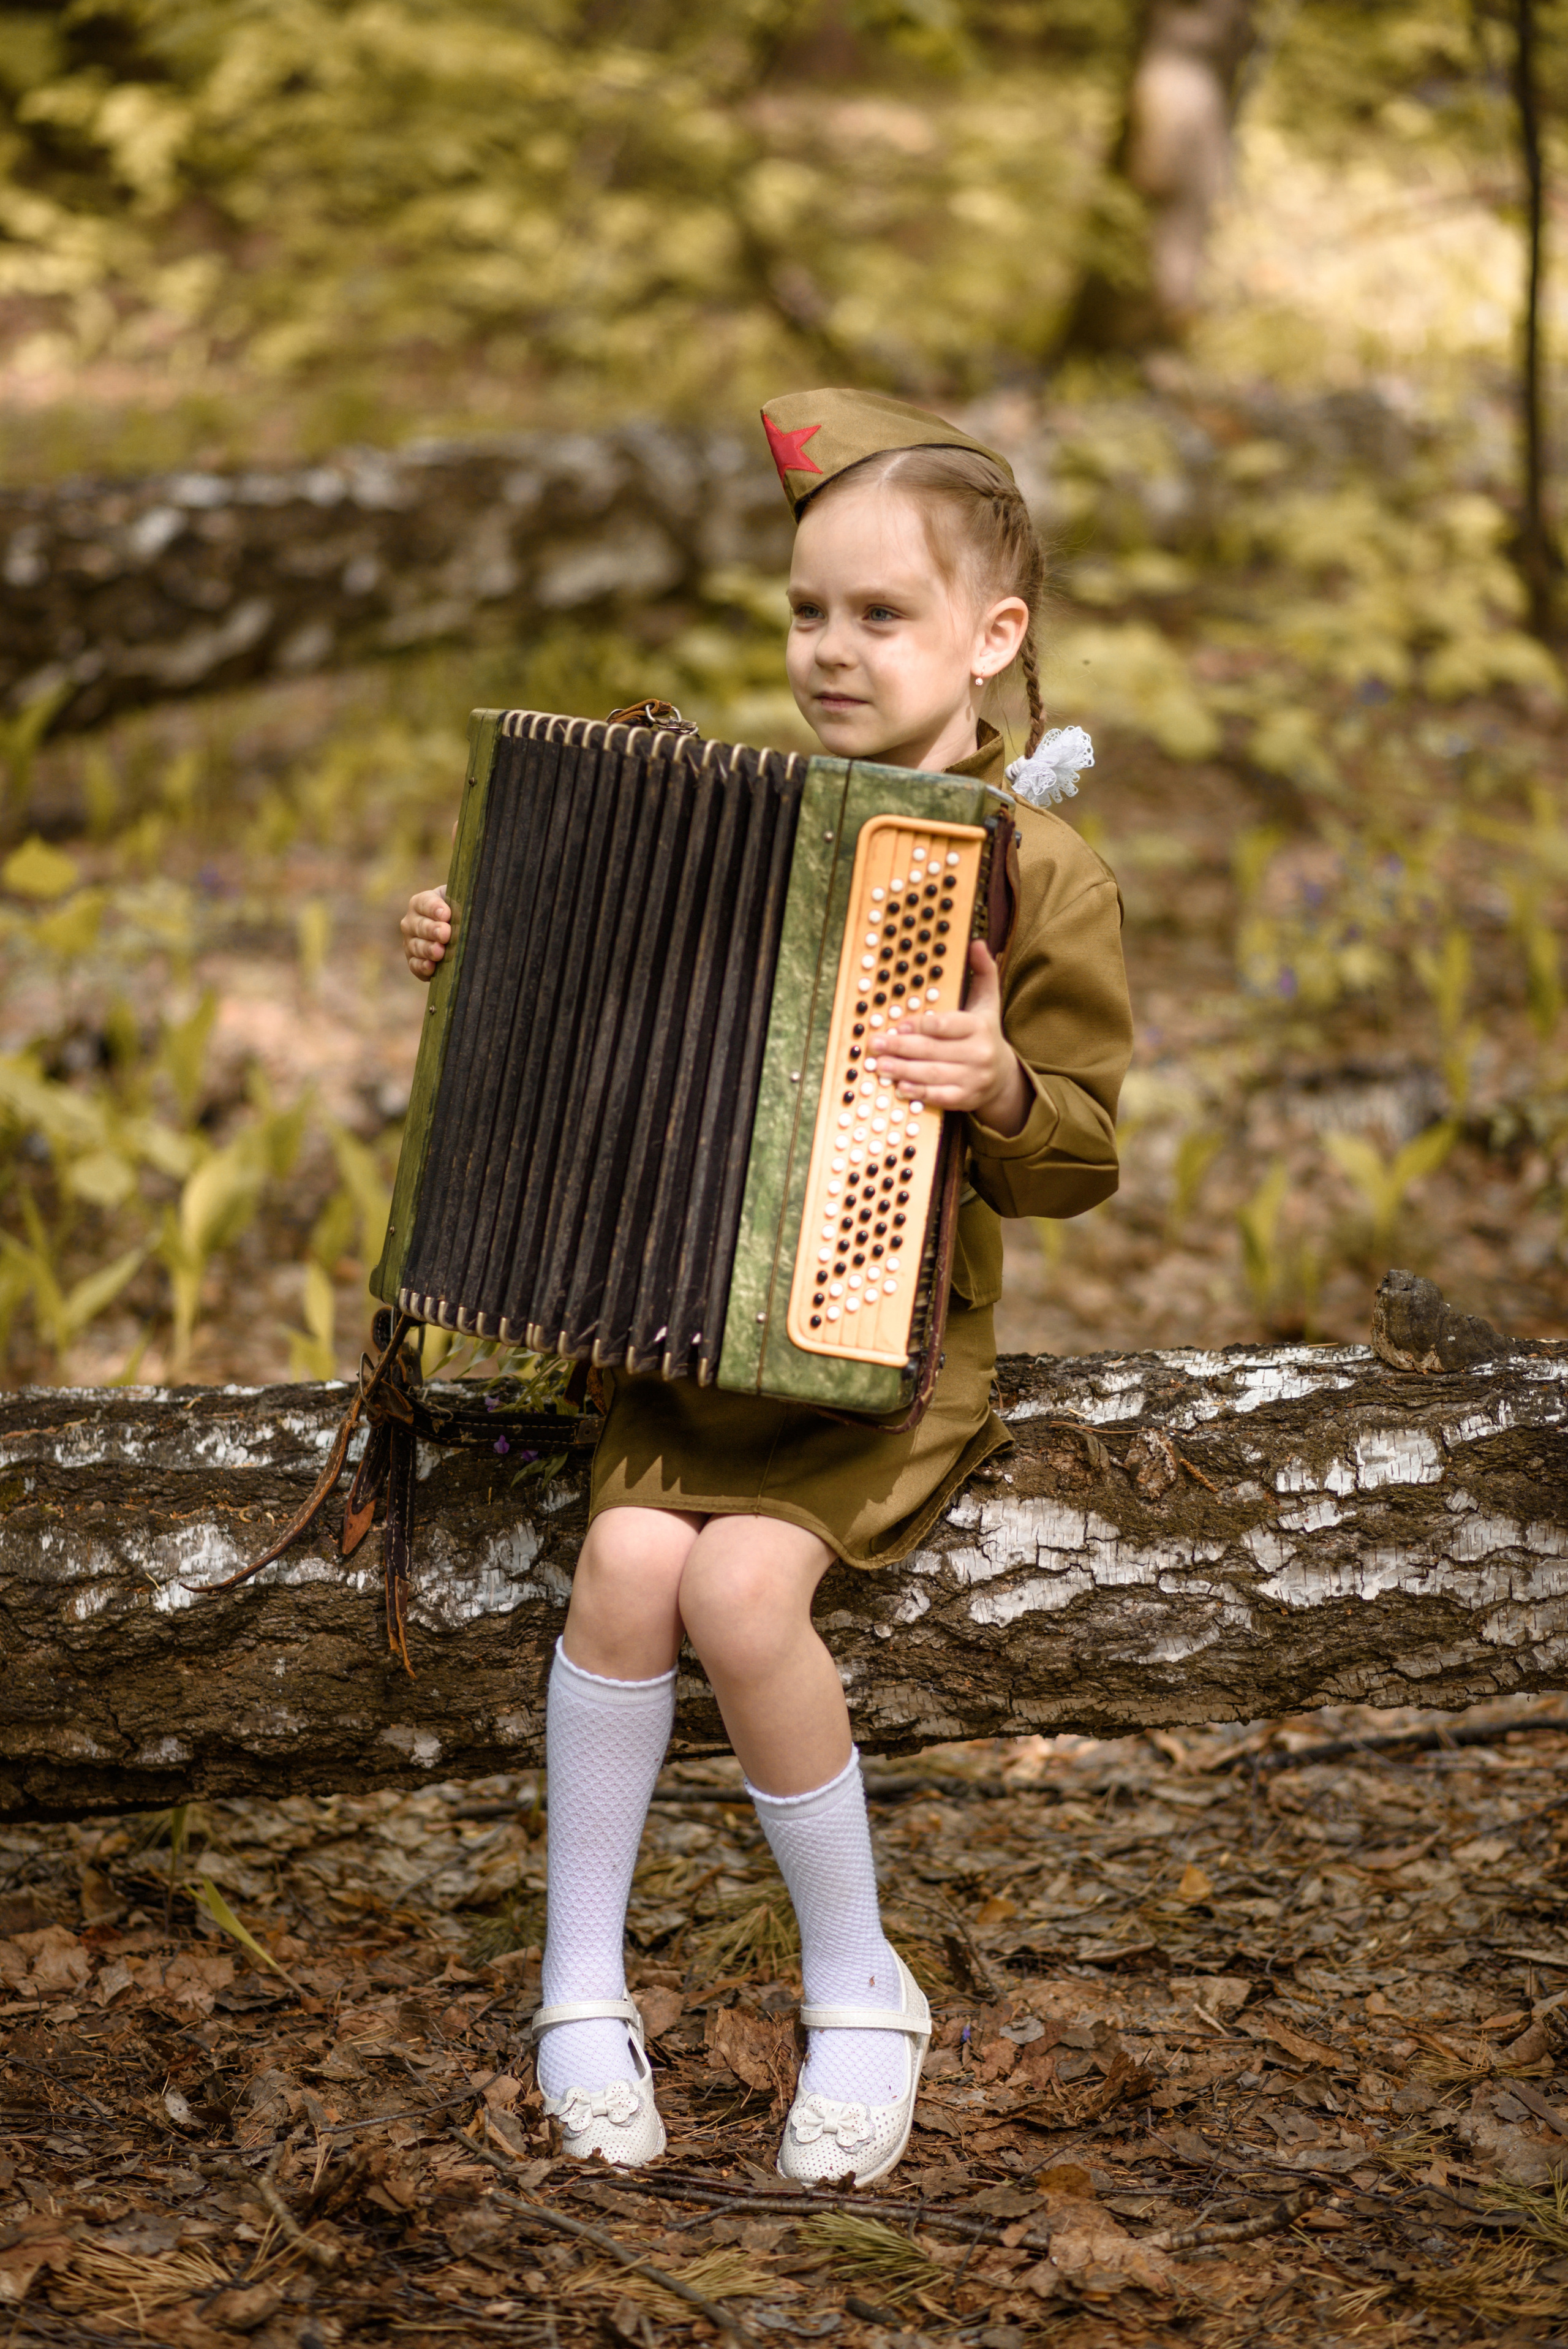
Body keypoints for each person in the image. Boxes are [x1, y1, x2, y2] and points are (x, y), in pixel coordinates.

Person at [399, 388, 1133, 2185]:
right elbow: (597, 1032)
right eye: (808, 610)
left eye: (880, 614)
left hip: (876, 1350)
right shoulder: (738, 819)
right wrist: (478, 943)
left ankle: (861, 1982)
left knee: (736, 1588)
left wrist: (1000, 1088)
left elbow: (1090, 1150)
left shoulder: (1040, 869)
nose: (830, 648)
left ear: (993, 636)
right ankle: (581, 1977)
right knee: (627, 1559)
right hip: (688, 1331)